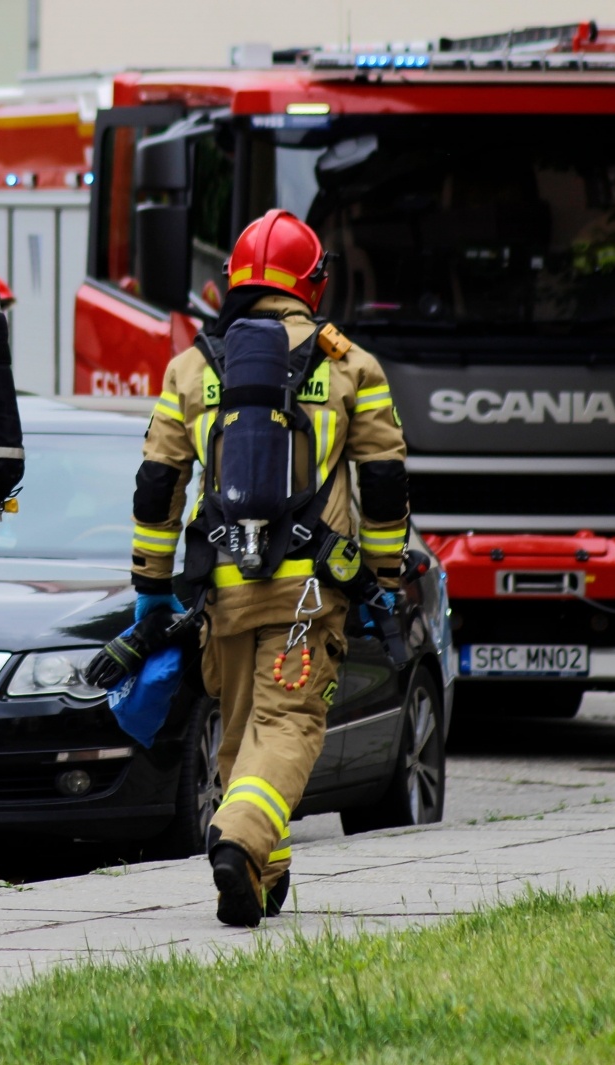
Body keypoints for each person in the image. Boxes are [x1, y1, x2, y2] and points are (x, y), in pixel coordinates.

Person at [127, 209, 409, 927]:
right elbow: (383, 483)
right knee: (287, 726)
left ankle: (259, 871)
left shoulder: (192, 367)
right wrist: (382, 572)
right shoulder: (350, 365)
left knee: (240, 729)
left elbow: (158, 487)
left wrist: (150, 589)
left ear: (235, 282)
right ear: (313, 283)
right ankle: (240, 838)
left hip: (222, 589)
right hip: (309, 588)